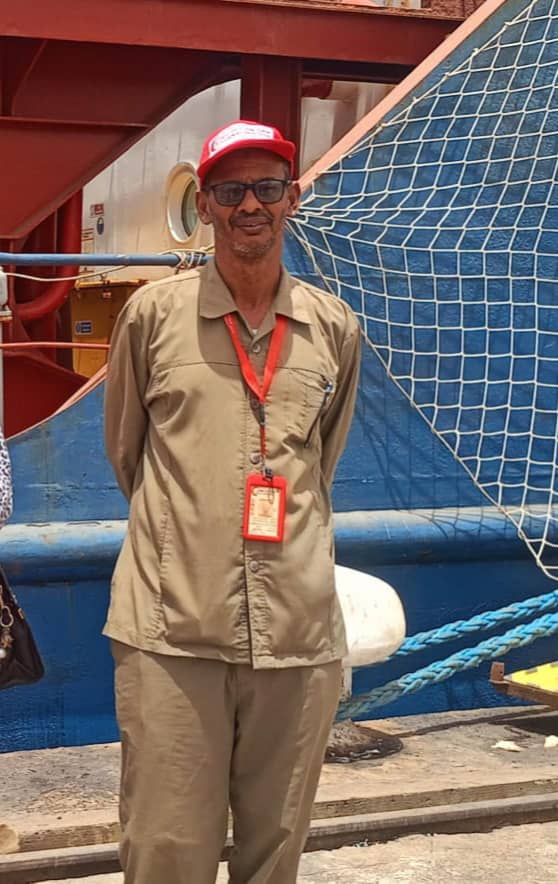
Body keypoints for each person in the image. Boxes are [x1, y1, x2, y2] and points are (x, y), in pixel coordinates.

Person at [104, 119, 361, 884]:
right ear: (208, 204)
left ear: (293, 198)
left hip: (296, 633)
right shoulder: (152, 317)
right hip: (172, 628)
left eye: (268, 187)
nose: (251, 205)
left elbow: (320, 463)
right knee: (165, 849)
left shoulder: (333, 327)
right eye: (231, 190)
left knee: (275, 850)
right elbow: (128, 454)